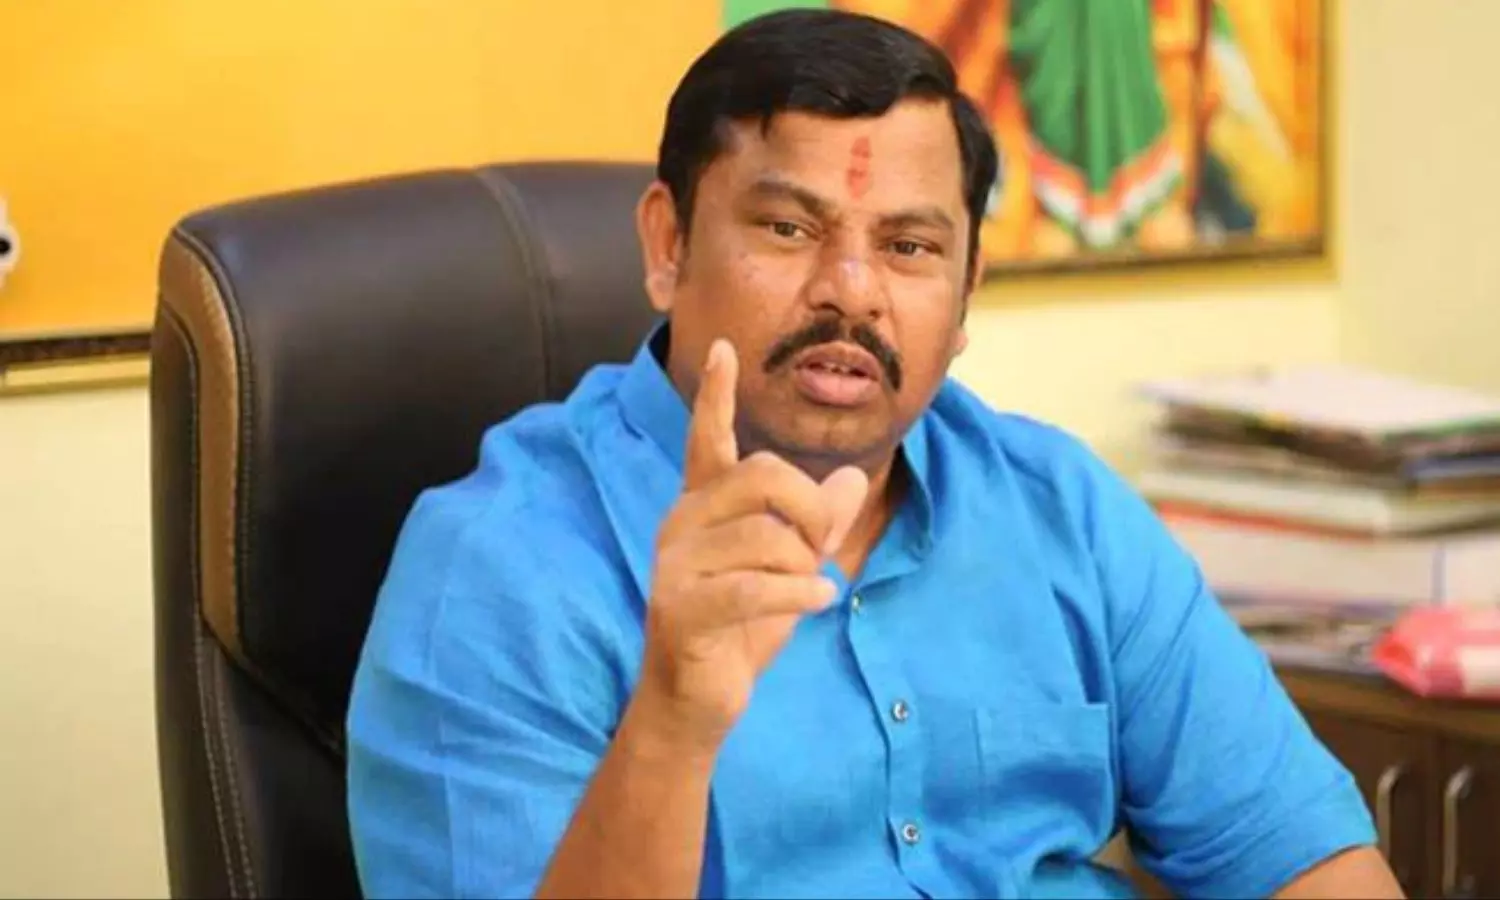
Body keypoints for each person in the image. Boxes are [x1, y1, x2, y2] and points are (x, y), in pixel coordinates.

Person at [345, 9, 1402, 899]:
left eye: (908, 247)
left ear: (967, 290)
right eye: (789, 229)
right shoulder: (501, 568)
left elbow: (1308, 862)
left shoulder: (1060, 510)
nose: (851, 291)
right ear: (668, 245)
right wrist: (671, 721)